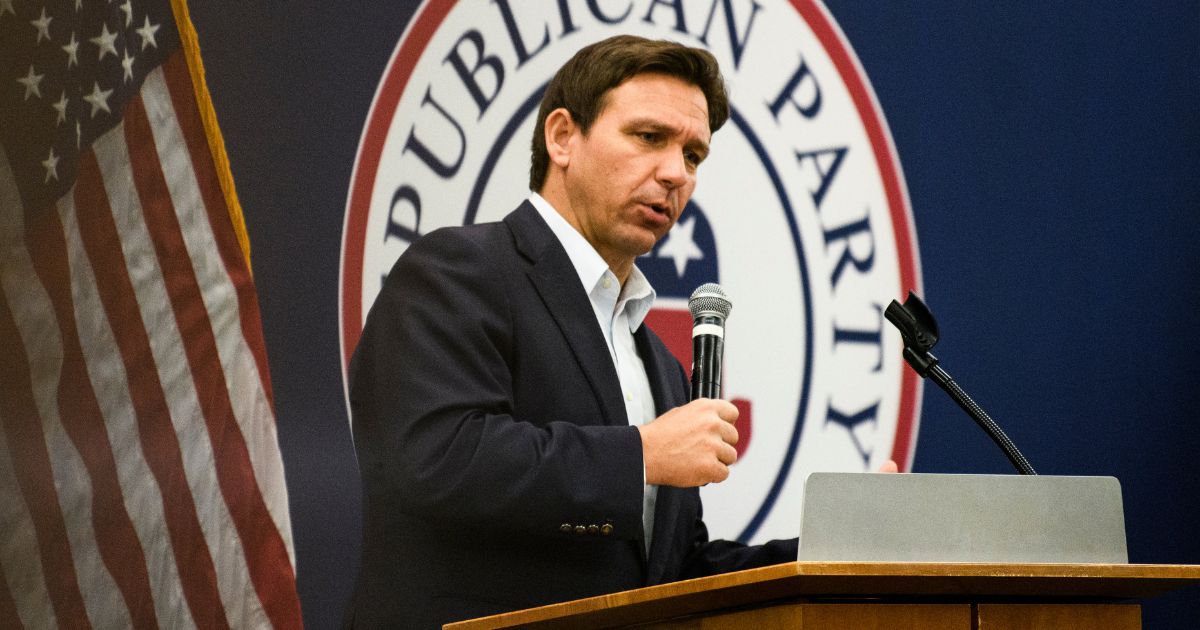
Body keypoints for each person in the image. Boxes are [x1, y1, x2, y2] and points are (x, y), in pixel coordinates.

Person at [346, 35, 797, 629]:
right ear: (563, 136)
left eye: (693, 156)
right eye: (648, 138)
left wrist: (832, 554)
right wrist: (642, 455)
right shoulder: (458, 271)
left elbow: (670, 572)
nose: (674, 174)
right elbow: (438, 461)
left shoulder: (658, 363)